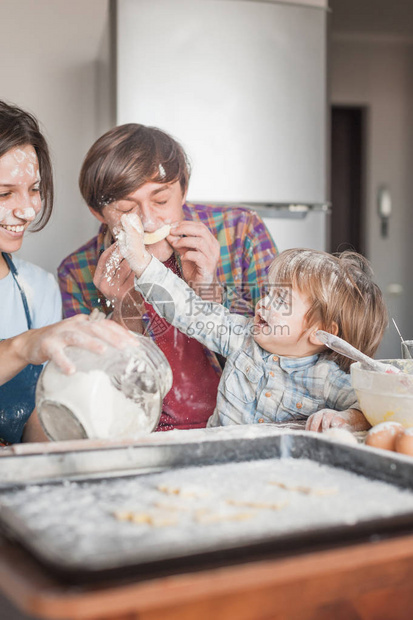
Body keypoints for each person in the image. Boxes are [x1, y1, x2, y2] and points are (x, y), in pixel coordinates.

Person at [58, 123, 278, 431]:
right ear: (98, 212)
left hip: (241, 428)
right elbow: (90, 401)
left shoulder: (241, 232)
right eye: (125, 208)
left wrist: (208, 290)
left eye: (161, 201)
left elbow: (284, 354)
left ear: (184, 191)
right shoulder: (76, 273)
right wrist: (124, 312)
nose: (148, 222)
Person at [117, 212, 388, 433]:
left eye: (281, 300)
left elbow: (375, 407)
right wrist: (142, 262)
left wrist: (344, 419)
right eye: (269, 292)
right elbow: (190, 310)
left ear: (321, 333)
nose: (264, 303)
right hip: (218, 462)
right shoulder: (240, 337)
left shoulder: (325, 378)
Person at [0, 101, 138, 445]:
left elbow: (37, 425)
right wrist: (22, 347)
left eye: (34, 189)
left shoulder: (39, 288)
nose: (29, 210)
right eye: (4, 193)